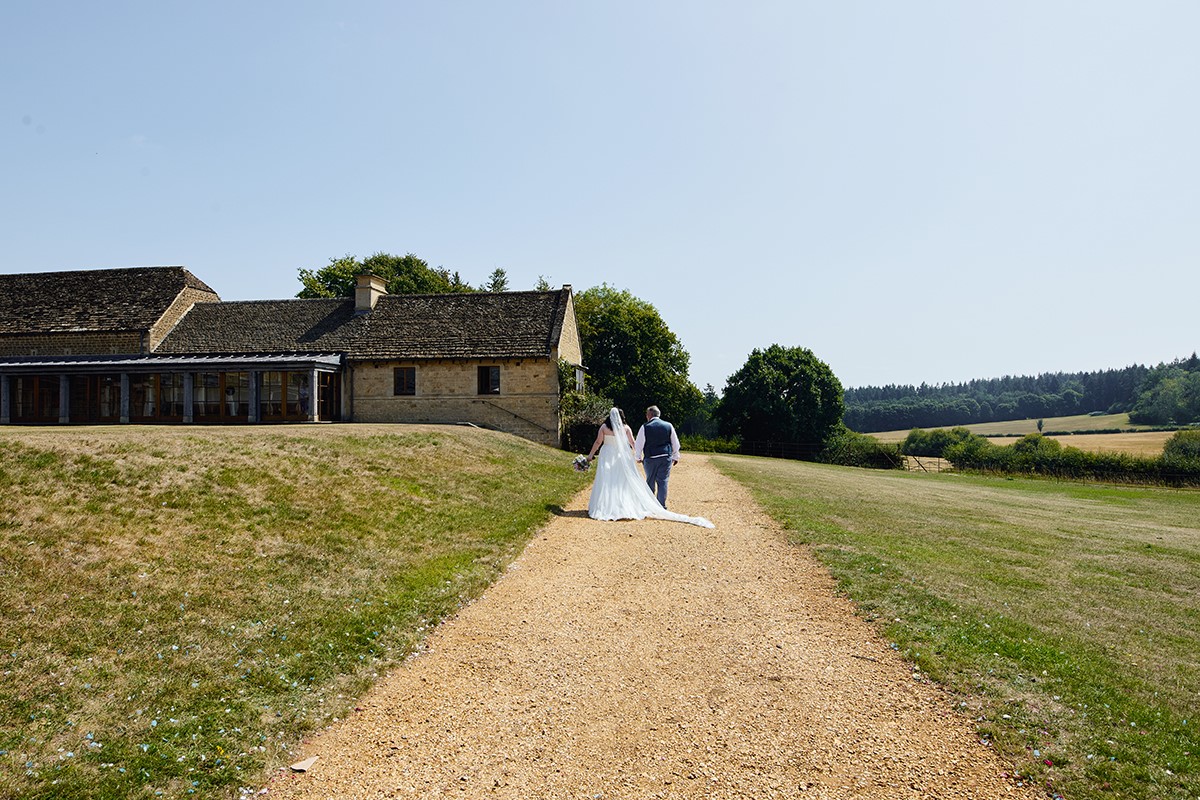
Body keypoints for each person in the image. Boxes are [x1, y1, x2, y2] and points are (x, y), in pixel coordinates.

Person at [585, 407, 713, 528]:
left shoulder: (604, 427)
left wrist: (590, 456)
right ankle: (647, 505)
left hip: (607, 455)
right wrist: (639, 454)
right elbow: (633, 443)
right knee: (623, 481)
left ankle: (605, 505)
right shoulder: (626, 428)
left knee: (607, 480)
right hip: (623, 457)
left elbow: (598, 442)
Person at [634, 405, 680, 508]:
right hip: (665, 456)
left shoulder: (645, 426)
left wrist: (638, 457)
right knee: (663, 481)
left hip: (650, 457)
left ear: (649, 415)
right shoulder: (668, 425)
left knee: (650, 481)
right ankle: (661, 506)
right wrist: (676, 456)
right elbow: (675, 443)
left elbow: (639, 443)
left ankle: (650, 506)